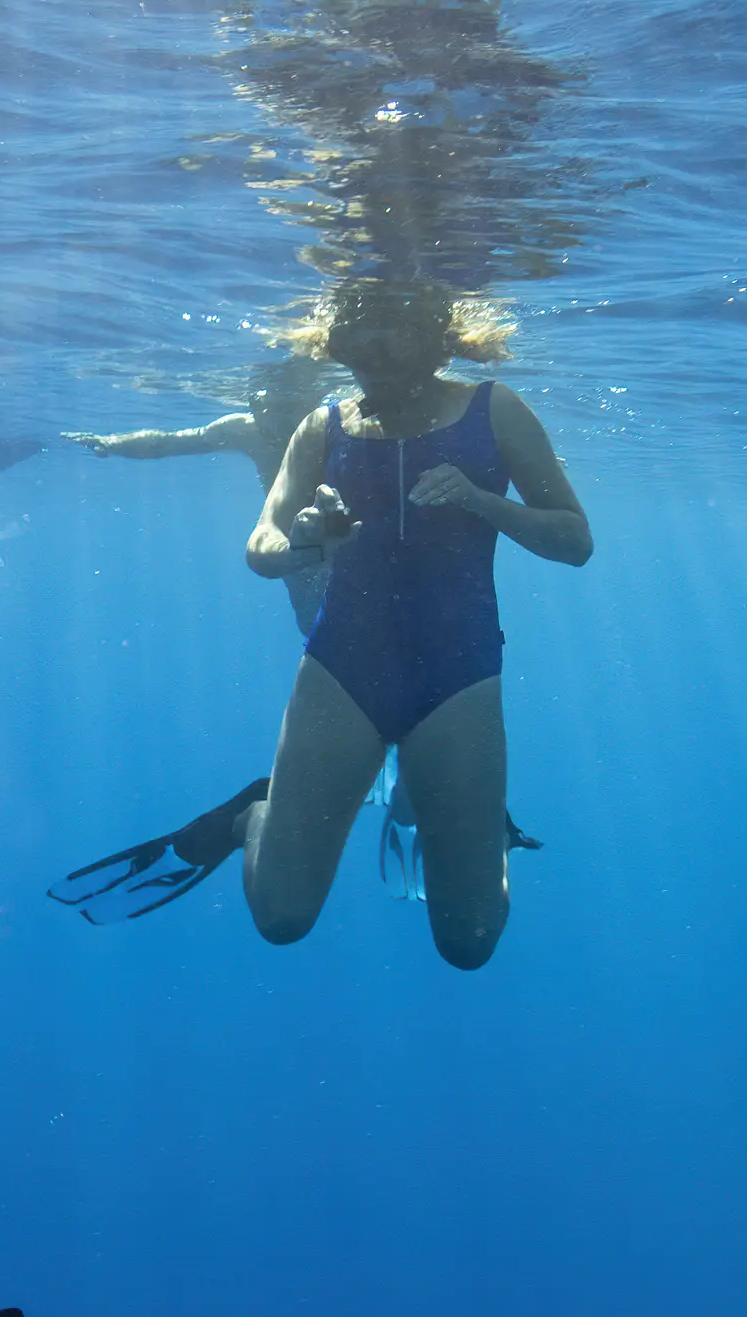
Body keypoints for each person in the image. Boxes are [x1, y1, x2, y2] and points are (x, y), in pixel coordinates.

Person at [53, 275, 588, 970]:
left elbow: (574, 540)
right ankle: (255, 815)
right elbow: (260, 547)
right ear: (338, 345)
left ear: (435, 339)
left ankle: (473, 832)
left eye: (393, 340)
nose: (376, 358)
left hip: (459, 674)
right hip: (343, 667)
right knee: (280, 917)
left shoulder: (496, 410)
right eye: (359, 343)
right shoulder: (321, 426)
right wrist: (305, 537)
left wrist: (485, 503)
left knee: (469, 941)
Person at [63, 355, 335, 630]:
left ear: (314, 402)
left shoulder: (338, 427)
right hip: (288, 539)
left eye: (285, 407)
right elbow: (170, 443)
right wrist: (113, 444)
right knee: (315, 626)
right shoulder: (247, 430)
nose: (267, 417)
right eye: (260, 405)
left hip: (348, 534)